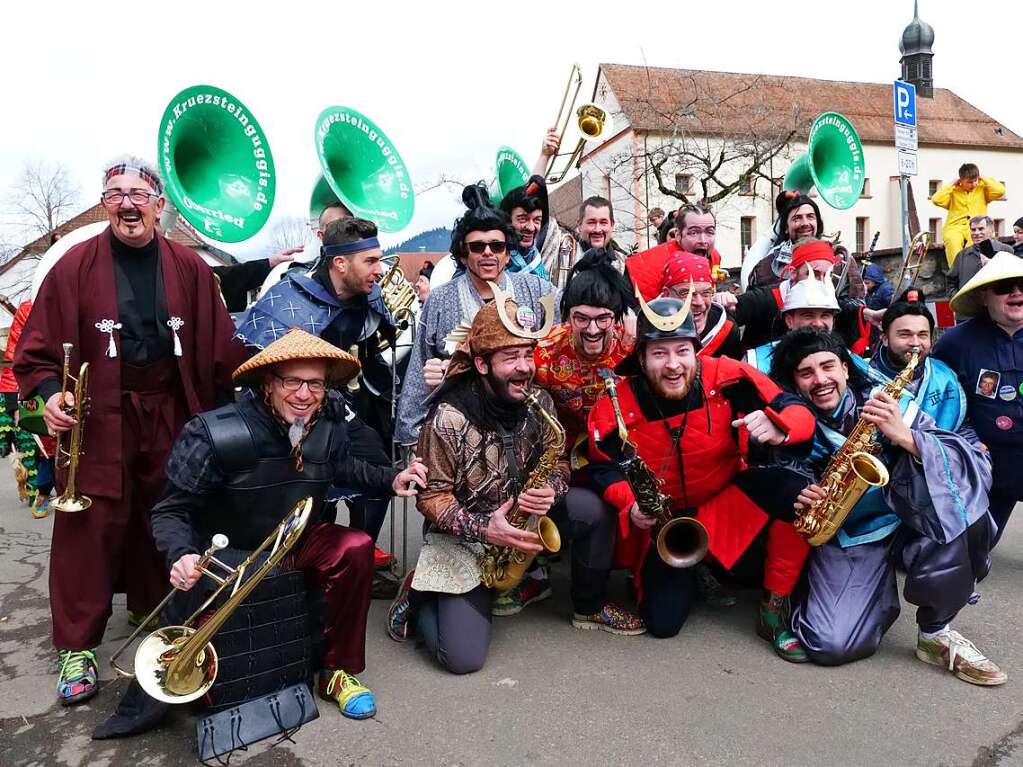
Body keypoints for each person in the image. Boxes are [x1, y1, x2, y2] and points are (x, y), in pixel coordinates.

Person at [13, 155, 247, 706]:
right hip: (97, 416)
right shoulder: (73, 266)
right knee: (88, 528)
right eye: (114, 194)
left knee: (163, 510)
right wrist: (50, 397)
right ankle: (77, 646)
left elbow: (221, 351)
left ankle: (153, 607)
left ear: (160, 206)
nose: (126, 204)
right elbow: (38, 353)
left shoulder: (190, 269)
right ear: (104, 204)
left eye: (138, 195)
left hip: (170, 410)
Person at [142, 328, 426, 720]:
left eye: (315, 383)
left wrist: (390, 479)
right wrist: (182, 554)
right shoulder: (210, 432)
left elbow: (344, 466)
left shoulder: (327, 425)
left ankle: (336, 671)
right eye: (292, 381)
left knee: (355, 545)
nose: (304, 394)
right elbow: (171, 510)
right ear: (267, 384)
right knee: (203, 696)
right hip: (231, 558)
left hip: (296, 543)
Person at [388, 293, 643, 675]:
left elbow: (557, 461)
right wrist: (484, 528)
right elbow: (431, 497)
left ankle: (587, 607)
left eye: (528, 354)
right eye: (510, 358)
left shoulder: (538, 399)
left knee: (592, 508)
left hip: (520, 520)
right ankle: (420, 592)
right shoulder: (447, 417)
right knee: (463, 660)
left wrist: (553, 488)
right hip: (466, 537)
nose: (525, 368)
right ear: (481, 363)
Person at [586, 294, 817, 660]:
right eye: (660, 353)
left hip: (724, 503)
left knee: (796, 492)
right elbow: (600, 466)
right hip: (664, 524)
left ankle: (774, 606)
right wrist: (630, 506)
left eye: (682, 351)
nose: (674, 365)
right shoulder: (616, 402)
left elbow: (794, 410)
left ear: (696, 350)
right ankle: (699, 570)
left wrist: (780, 426)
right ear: (642, 358)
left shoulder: (727, 376)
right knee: (662, 624)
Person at [770, 329, 1004, 684]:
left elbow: (970, 464)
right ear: (795, 385)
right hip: (850, 535)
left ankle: (935, 633)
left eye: (828, 366)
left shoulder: (889, 403)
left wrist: (907, 437)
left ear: (847, 369)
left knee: (963, 510)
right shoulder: (794, 426)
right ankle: (848, 594)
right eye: (806, 373)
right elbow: (777, 475)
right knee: (831, 645)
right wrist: (798, 489)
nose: (820, 380)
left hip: (909, 519)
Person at [236, 216, 400, 571]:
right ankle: (300, 564)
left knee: (378, 467)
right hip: (285, 415)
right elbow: (256, 363)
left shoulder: (368, 295)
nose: (379, 270)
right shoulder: (290, 296)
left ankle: (359, 554)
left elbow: (379, 343)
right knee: (307, 487)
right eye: (370, 261)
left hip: (340, 406)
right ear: (340, 263)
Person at [510, 250, 635, 616]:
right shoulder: (546, 351)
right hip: (556, 450)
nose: (592, 329)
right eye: (581, 318)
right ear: (568, 316)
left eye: (602, 319)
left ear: (617, 319)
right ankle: (529, 574)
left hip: (614, 450)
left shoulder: (633, 349)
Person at [394, 185, 557, 448]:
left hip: (523, 423)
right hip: (459, 430)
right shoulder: (440, 299)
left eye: (497, 245)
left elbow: (564, 341)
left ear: (507, 251)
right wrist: (412, 439)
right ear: (462, 253)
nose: (488, 253)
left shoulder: (537, 291)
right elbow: (417, 373)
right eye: (478, 246)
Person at [934, 253, 1023, 546]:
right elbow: (939, 401)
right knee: (974, 550)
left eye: (1022, 285)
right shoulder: (955, 343)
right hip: (989, 465)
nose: (1016, 293)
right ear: (985, 296)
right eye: (1004, 287)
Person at [722, 239, 878, 353]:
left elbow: (845, 309)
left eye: (827, 275)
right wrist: (719, 302)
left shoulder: (827, 296)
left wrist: (865, 313)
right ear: (792, 273)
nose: (821, 282)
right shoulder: (763, 298)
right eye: (813, 274)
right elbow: (722, 321)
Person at [871, 290, 967, 430]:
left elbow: (963, 426)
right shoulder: (864, 377)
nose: (915, 343)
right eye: (905, 335)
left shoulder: (946, 375)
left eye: (922, 335)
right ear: (885, 339)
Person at [626, 204, 725, 302]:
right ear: (678, 235)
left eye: (710, 232)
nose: (703, 240)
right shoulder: (646, 266)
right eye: (694, 232)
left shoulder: (713, 258)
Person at [660, 251, 741, 359]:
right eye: (686, 293)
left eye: (706, 293)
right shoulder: (645, 326)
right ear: (667, 294)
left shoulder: (726, 330)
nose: (699, 302)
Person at [932, 164, 1006, 267]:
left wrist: (982, 178)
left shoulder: (982, 189)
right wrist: (951, 183)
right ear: (961, 181)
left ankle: (973, 269)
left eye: (975, 180)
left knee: (976, 241)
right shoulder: (953, 191)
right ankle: (956, 271)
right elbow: (936, 199)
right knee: (952, 241)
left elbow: (1000, 190)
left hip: (977, 226)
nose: (974, 184)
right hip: (955, 226)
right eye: (969, 182)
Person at [946, 215, 1014, 295]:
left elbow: (1013, 281)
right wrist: (958, 299)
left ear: (991, 230)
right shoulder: (962, 255)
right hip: (970, 306)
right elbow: (950, 281)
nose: (976, 233)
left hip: (997, 305)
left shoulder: (1006, 251)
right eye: (973, 230)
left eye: (981, 229)